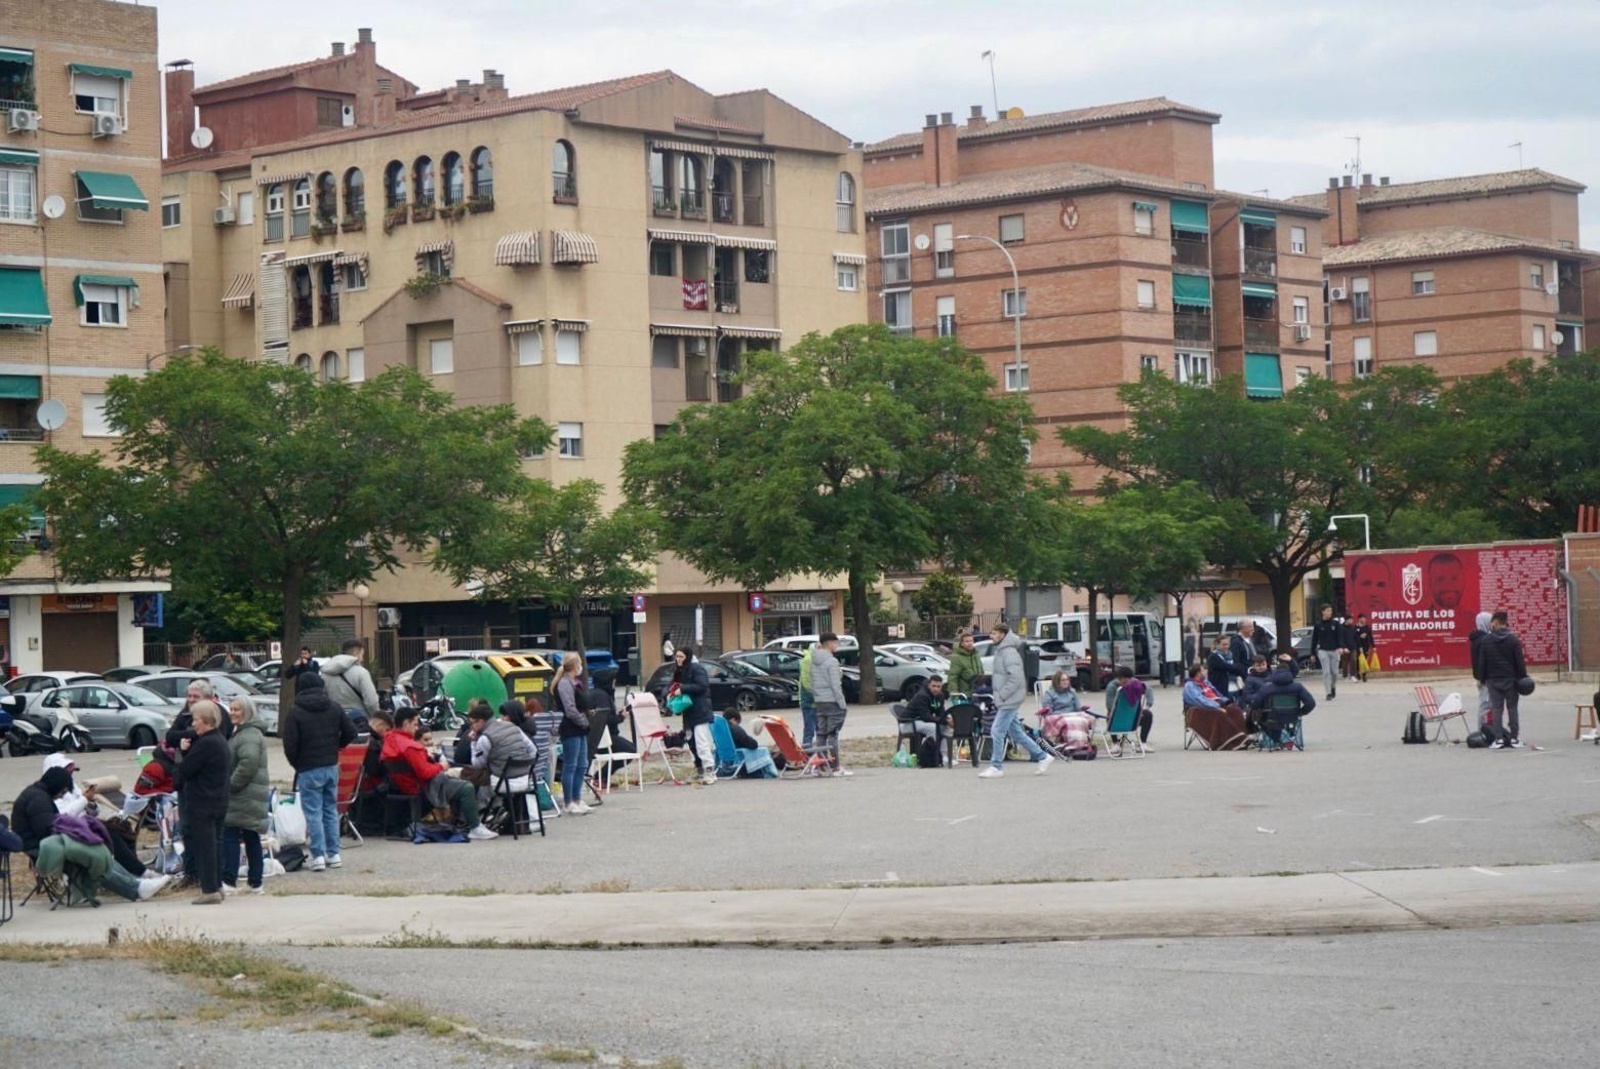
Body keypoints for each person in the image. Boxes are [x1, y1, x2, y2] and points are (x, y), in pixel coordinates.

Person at [15, 767, 171, 901]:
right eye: (62, 792)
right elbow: (46, 829)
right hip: (42, 848)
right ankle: (136, 888)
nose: (62, 796)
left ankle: (137, 883)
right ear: (55, 786)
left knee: (98, 850)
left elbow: (50, 826)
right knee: (93, 857)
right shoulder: (38, 799)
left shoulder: (38, 795)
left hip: (47, 843)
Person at [380, 707, 499, 838]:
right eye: (415, 724)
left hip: (403, 786)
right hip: (424, 788)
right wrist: (441, 766)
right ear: (406, 723)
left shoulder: (389, 739)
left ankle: (468, 821)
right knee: (466, 787)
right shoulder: (410, 746)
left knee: (459, 779)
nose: (417, 727)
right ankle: (475, 826)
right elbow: (425, 773)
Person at [281, 670, 357, 872]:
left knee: (313, 813)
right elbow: (351, 732)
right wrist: (336, 748)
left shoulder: (295, 711)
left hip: (308, 768)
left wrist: (297, 763)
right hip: (331, 765)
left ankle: (318, 856)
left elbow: (289, 745)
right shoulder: (334, 707)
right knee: (330, 810)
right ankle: (334, 854)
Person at [172, 700, 229, 905]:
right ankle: (217, 885)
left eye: (195, 719)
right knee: (215, 845)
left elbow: (185, 771)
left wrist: (182, 759)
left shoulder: (205, 743)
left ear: (205, 720)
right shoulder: (220, 740)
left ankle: (209, 889)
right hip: (218, 800)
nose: (193, 724)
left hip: (202, 802)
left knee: (205, 846)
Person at [978, 623, 1053, 778]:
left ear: (1003, 634)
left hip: (1009, 699)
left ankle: (996, 766)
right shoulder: (1003, 651)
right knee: (1017, 733)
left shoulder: (1009, 653)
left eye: (994, 633)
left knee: (996, 730)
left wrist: (1002, 695)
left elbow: (1016, 678)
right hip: (1008, 698)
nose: (991, 636)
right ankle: (1043, 756)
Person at [221, 696, 269, 897]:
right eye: (231, 708)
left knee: (231, 835)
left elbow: (248, 763)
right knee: (251, 837)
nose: (232, 712)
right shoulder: (244, 733)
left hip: (242, 795)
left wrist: (230, 785)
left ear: (247, 712)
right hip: (248, 795)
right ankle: (255, 882)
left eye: (237, 709)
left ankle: (229, 881)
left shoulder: (248, 735)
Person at [1474, 610, 1527, 750]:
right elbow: (1519, 663)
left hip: (1493, 681)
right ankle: (1514, 739)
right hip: (1511, 680)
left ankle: (1498, 740)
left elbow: (1482, 662)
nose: (1491, 625)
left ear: (1496, 623)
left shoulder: (1487, 640)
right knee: (1512, 708)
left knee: (1497, 709)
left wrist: (1482, 678)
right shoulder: (1513, 640)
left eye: (1492, 622)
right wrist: (1522, 678)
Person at [468, 700, 537, 805]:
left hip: (504, 784)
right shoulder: (514, 727)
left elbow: (477, 765)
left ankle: (483, 814)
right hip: (526, 780)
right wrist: (525, 765)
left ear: (480, 721)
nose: (471, 726)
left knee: (476, 780)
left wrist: (473, 743)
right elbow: (533, 751)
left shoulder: (485, 738)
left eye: (472, 722)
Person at [553, 652, 593, 813]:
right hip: (571, 727)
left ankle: (577, 799)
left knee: (582, 764)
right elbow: (570, 709)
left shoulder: (574, 682)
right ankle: (568, 801)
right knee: (570, 765)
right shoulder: (564, 683)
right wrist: (583, 721)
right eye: (579, 664)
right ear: (575, 665)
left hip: (579, 728)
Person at [671, 647, 717, 786]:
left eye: (681, 656)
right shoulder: (680, 671)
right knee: (691, 742)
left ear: (688, 657)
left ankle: (710, 772)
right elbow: (673, 684)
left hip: (700, 710)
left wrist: (683, 689)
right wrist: (670, 692)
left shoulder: (697, 669)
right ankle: (699, 770)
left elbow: (702, 686)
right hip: (689, 712)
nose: (678, 659)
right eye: (677, 656)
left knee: (702, 741)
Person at [808, 633, 851, 777]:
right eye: (836, 643)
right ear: (830, 643)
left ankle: (821, 765)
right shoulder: (832, 662)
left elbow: (811, 680)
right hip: (832, 701)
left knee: (821, 734)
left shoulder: (813, 660)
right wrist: (842, 703)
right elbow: (835, 684)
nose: (836, 646)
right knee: (832, 734)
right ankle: (835, 766)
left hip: (820, 701)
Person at [1252, 663, 1317, 746]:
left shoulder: (1267, 688)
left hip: (1272, 717)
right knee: (1279, 720)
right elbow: (1311, 703)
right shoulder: (1298, 687)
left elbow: (1255, 704)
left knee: (1259, 718)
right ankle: (1287, 737)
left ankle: (1279, 739)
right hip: (1292, 717)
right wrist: (1300, 712)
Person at [320, 639, 381, 726]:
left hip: (333, 721)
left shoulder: (325, 673)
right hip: (358, 721)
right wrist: (376, 718)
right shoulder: (361, 672)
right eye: (362, 655)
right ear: (357, 654)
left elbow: (323, 698)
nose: (362, 659)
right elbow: (371, 702)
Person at [167, 678, 232, 749]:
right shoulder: (186, 712)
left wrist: (187, 735)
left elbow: (214, 742)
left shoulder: (218, 713)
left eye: (196, 697)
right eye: (189, 696)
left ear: (208, 698)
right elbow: (169, 736)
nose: (191, 700)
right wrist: (190, 734)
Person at [1105, 664, 1153, 753]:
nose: (1127, 684)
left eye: (1128, 680)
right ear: (1118, 679)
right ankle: (1115, 743)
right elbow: (1109, 706)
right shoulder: (1112, 687)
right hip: (1118, 718)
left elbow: (1148, 689)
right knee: (1109, 715)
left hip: (1133, 718)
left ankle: (1143, 743)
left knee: (1148, 714)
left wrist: (1148, 705)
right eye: (1123, 681)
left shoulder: (1136, 684)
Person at [723, 710, 778, 778]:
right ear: (733, 719)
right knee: (764, 750)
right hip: (740, 754)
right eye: (737, 723)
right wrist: (750, 738)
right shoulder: (734, 729)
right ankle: (771, 773)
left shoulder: (721, 728)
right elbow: (752, 745)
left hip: (727, 755)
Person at [900, 675, 949, 744]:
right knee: (933, 727)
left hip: (920, 722)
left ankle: (943, 754)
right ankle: (930, 752)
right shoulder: (922, 696)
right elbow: (926, 717)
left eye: (938, 687)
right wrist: (945, 720)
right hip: (908, 723)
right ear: (929, 685)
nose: (936, 689)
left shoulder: (940, 696)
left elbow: (941, 713)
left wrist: (947, 720)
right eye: (933, 686)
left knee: (944, 727)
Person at [1311, 605, 1345, 700]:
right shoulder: (1318, 625)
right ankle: (1328, 693)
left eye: (1331, 610)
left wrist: (1341, 647)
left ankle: (1333, 686)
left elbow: (1340, 637)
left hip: (1334, 650)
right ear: (1323, 612)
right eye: (1328, 610)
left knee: (1334, 672)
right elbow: (1314, 640)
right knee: (1326, 672)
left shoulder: (1336, 624)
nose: (1330, 612)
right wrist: (1312, 653)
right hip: (1323, 650)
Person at [1468, 611, 1493, 726]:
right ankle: (1484, 729)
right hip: (1485, 677)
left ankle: (1485, 728)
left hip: (1480, 677)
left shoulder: (1476, 639)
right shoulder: (1484, 640)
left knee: (1485, 703)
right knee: (1486, 704)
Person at [946, 630, 982, 699]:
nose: (970, 643)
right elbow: (953, 678)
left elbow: (981, 672)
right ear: (962, 643)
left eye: (971, 641)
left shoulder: (976, 655)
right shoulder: (957, 658)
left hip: (977, 694)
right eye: (967, 641)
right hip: (964, 696)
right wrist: (955, 696)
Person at [797, 643, 818, 748]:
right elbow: (807, 683)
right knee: (810, 730)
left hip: (813, 701)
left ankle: (810, 754)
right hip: (810, 702)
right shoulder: (809, 660)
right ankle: (808, 753)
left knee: (811, 729)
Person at [1352, 614, 1374, 682]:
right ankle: (1358, 674)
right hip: (1357, 647)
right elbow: (1354, 637)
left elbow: (1370, 637)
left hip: (1366, 646)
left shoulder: (1367, 627)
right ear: (1359, 619)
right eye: (1362, 618)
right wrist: (1360, 637)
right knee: (1358, 661)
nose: (1364, 620)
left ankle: (1364, 675)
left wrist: (1373, 646)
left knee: (1365, 661)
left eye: (1365, 618)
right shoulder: (1355, 627)